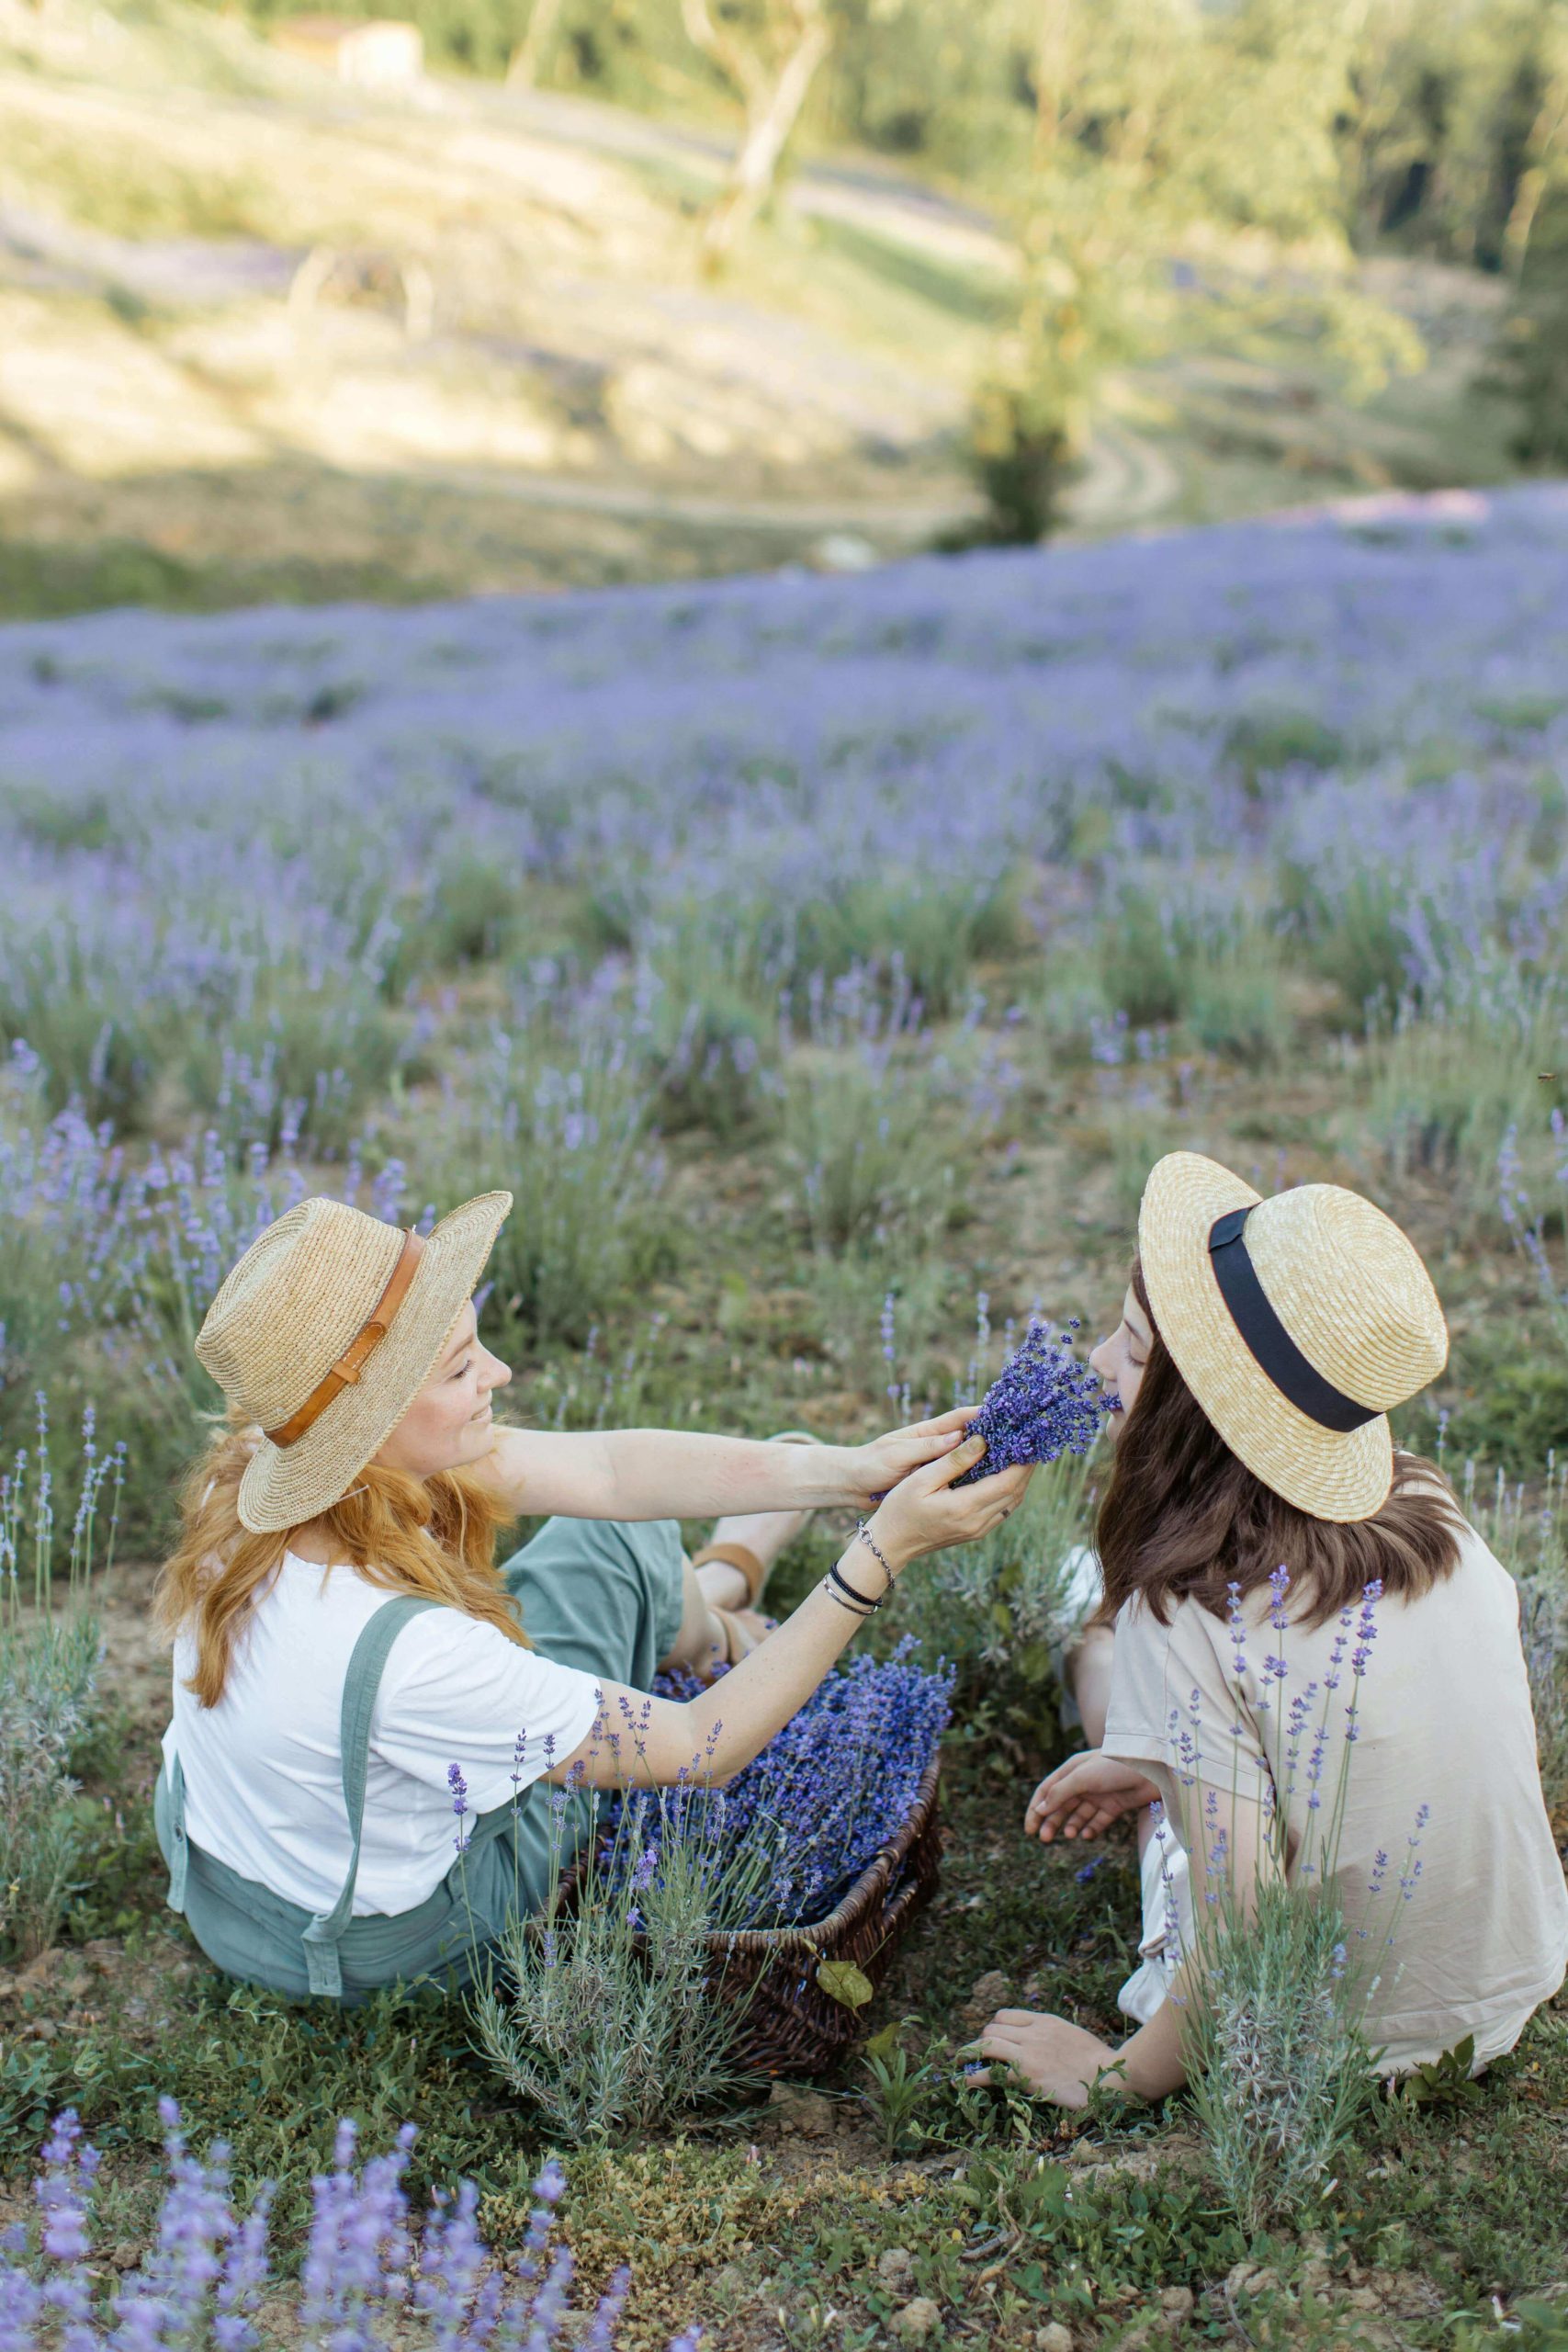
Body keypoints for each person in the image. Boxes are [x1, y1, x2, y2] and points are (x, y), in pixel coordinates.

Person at [155, 1189, 1031, 2002]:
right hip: (384, 1946)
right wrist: (881, 1550)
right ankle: (723, 1608)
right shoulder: (411, 1654)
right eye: (462, 1369)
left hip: (234, 1894)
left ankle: (722, 1601)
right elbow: (698, 1745)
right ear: (374, 1420)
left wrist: (845, 1473)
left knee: (615, 1526)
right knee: (625, 1553)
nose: (496, 1373)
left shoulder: (250, 1486)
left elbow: (608, 1471)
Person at [974, 1150, 1568, 2104]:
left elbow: (1245, 1929)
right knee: (1172, 1751)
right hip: (1507, 1979)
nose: (1098, 1366)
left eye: (1131, 1348)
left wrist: (1115, 2075)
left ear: (1188, 1402)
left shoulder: (1188, 1613)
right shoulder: (1431, 1506)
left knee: (1107, 1664)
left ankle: (1084, 1643)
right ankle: (1143, 1738)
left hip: (1330, 2034)